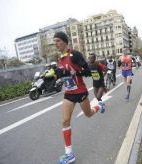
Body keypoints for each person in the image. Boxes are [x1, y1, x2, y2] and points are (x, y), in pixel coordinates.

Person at [53, 31, 106, 164]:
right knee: (65, 121)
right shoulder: (59, 58)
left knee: (89, 114)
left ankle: (99, 105)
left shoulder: (75, 54)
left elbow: (87, 71)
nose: (56, 44)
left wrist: (73, 72)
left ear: (65, 41)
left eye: (58, 41)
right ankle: (69, 154)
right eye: (54, 41)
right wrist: (55, 75)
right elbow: (63, 74)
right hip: (69, 93)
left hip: (80, 91)